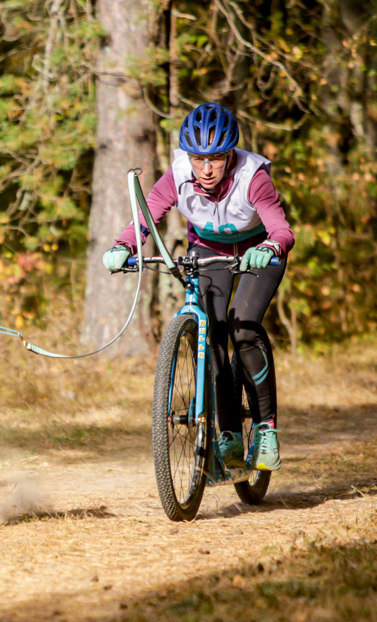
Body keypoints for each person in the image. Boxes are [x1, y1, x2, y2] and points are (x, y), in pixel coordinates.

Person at [102, 102, 293, 471]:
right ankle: (229, 434)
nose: (206, 169)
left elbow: (281, 230)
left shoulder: (253, 176)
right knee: (213, 333)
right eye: (197, 159)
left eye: (216, 158)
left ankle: (266, 429)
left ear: (230, 154)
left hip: (258, 251)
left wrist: (270, 247)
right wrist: (124, 245)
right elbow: (147, 216)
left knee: (242, 328)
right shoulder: (177, 176)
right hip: (209, 251)